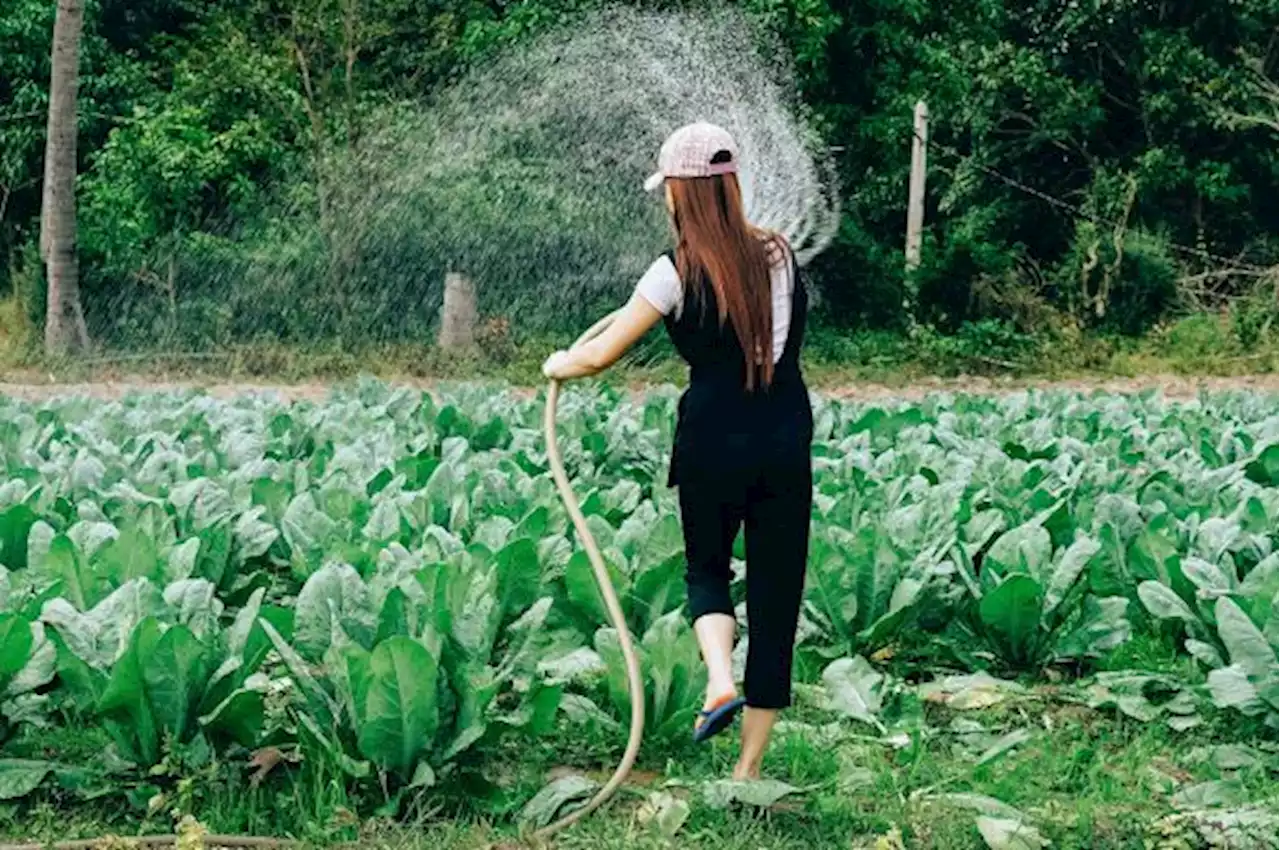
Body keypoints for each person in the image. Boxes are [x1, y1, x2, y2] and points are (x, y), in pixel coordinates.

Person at [542, 122, 813, 781]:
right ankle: (746, 773)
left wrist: (559, 363)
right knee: (777, 598)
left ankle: (720, 678)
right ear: (731, 186)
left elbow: (601, 353)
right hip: (782, 439)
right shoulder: (779, 254)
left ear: (681, 196)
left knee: (707, 570)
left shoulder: (673, 272)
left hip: (712, 440)